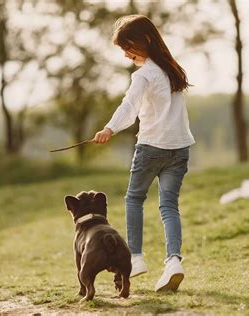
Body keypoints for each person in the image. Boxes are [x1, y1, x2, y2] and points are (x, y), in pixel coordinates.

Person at [93, 14, 195, 292]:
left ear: (145, 40)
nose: (126, 54)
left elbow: (129, 107)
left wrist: (109, 129)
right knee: (169, 206)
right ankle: (174, 261)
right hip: (180, 147)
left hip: (151, 147)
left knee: (134, 199)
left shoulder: (144, 75)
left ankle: (136, 258)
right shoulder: (173, 70)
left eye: (128, 46)